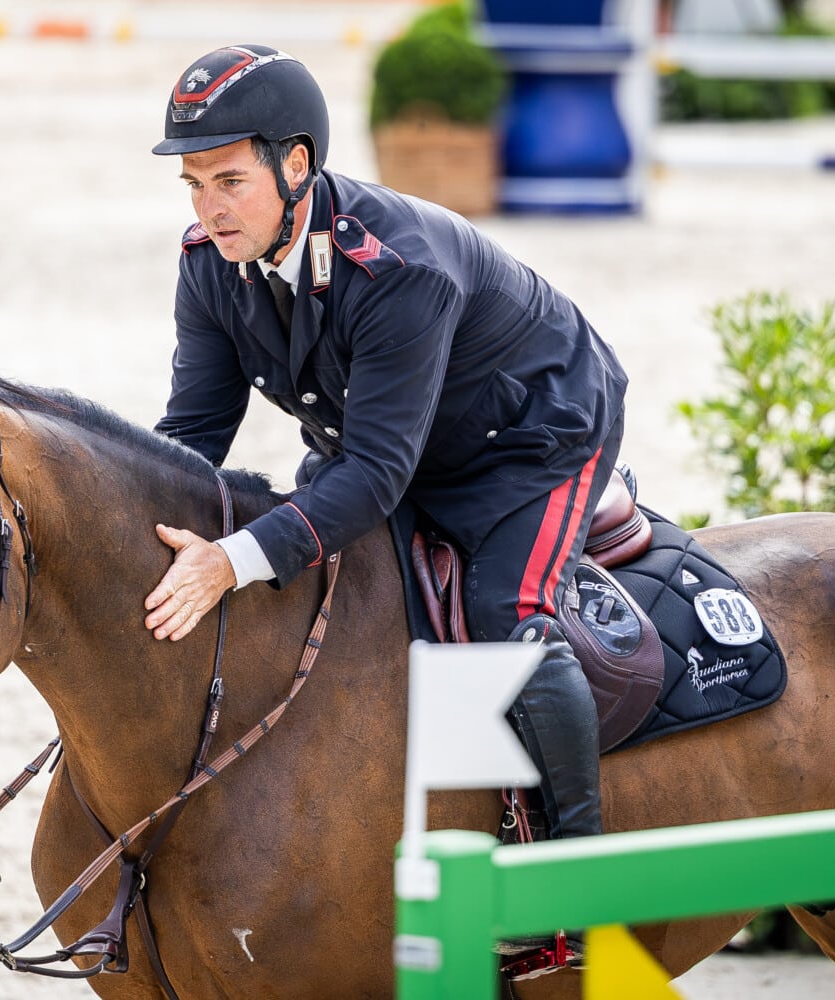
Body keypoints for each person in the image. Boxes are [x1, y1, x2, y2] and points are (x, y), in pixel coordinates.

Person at [141, 43, 627, 959]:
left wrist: (233, 560)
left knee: (505, 617)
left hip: (535, 437)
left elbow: (374, 477)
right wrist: (146, 538)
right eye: (195, 184)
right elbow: (194, 431)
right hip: (386, 442)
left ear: (296, 166)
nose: (209, 208)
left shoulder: (398, 268)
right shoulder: (210, 259)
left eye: (230, 181)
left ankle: (574, 889)